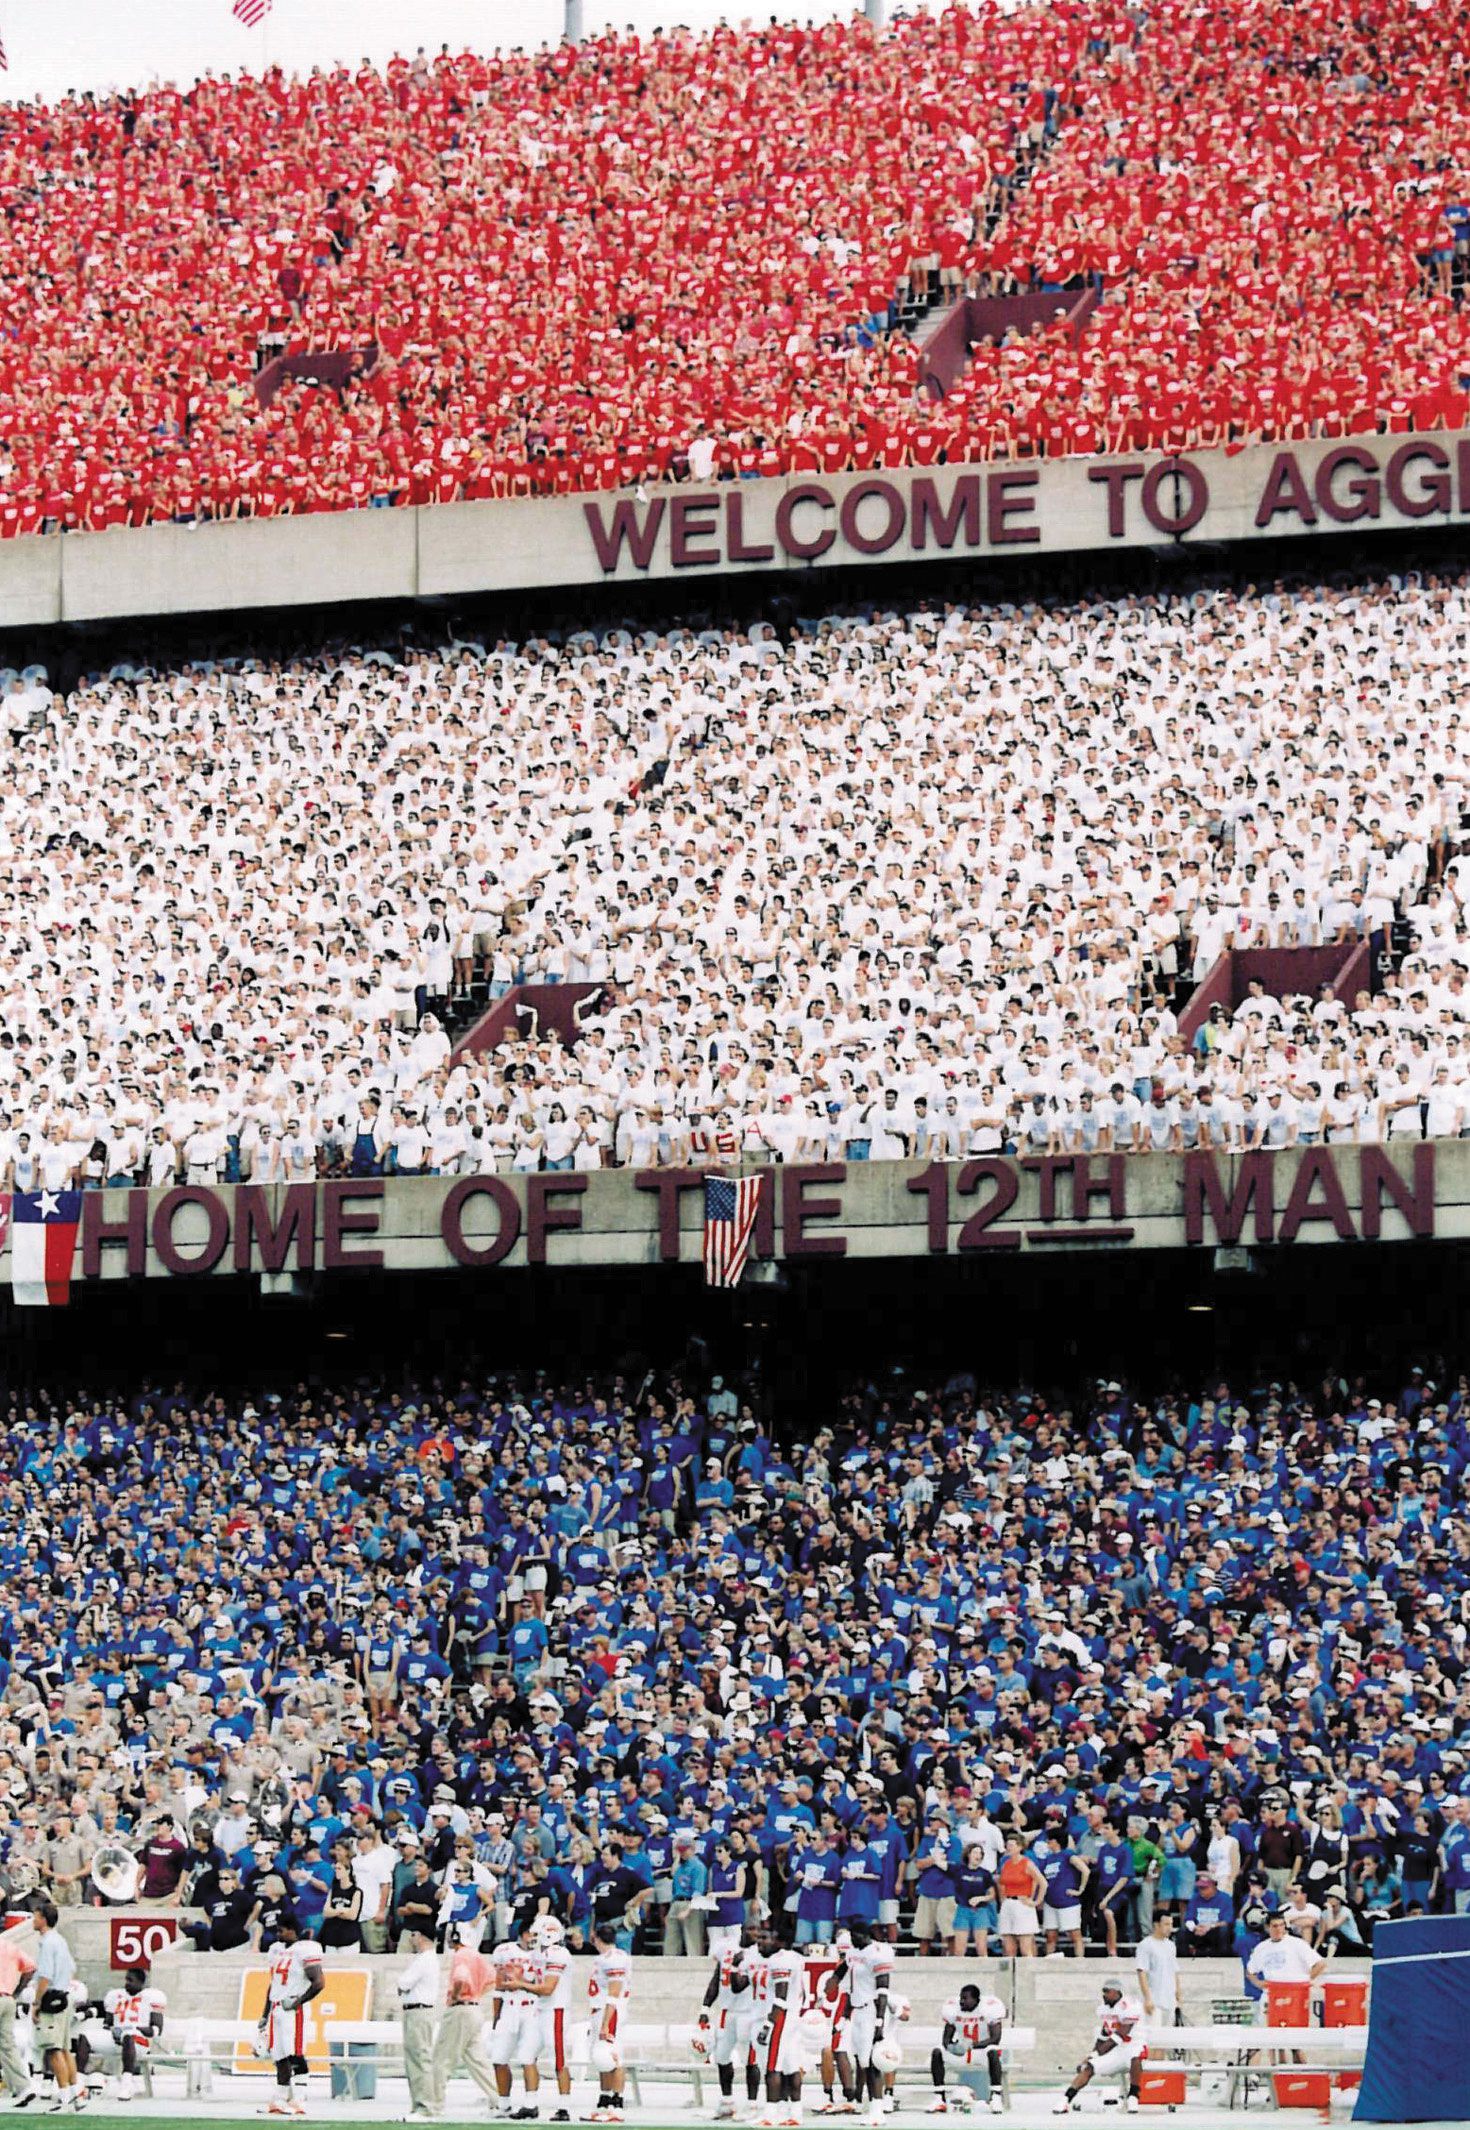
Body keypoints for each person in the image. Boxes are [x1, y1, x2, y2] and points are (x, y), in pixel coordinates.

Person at [259, 1914, 325, 2119]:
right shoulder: (277, 1950)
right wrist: (265, 2013)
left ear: (292, 1930)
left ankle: (299, 2098)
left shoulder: (306, 1949)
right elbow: (274, 1984)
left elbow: (319, 1983)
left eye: (281, 1930)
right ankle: (279, 2098)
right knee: (278, 2055)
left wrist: (296, 2003)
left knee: (294, 2053)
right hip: (277, 2006)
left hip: (293, 2007)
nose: (278, 1934)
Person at [430, 1925, 500, 2115]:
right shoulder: (475, 1955)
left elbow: (461, 1978)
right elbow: (494, 1979)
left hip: (460, 2010)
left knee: (442, 2059)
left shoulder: (461, 1956)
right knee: (478, 2060)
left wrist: (456, 1996)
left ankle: (433, 2105)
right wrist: (476, 1994)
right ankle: (499, 2100)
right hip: (474, 2010)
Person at [1052, 1979, 1145, 2115]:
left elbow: (1119, 2036)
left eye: (1106, 1991)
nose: (1104, 1995)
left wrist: (1097, 2053)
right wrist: (1092, 2055)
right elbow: (1104, 2034)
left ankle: (1133, 2096)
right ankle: (1066, 2099)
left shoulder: (1130, 2005)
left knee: (1135, 2057)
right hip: (1116, 2051)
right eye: (1103, 1991)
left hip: (1133, 2046)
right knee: (1089, 2067)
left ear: (1116, 1992)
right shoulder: (1104, 2008)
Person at [30, 1904, 82, 2114]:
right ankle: (74, 2094)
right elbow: (71, 1968)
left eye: (36, 1916)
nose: (33, 1920)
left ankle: (64, 2099)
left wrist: (36, 2003)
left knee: (53, 2049)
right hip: (64, 1996)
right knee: (64, 2047)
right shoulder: (60, 1940)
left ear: (43, 1919)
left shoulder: (47, 1943)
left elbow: (45, 1976)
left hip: (52, 1998)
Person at [523, 1915, 575, 2123]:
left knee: (558, 2060)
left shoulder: (559, 1954)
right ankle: (530, 2104)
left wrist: (518, 1984)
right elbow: (530, 1979)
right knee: (526, 2055)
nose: (532, 1938)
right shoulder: (538, 1953)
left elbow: (547, 1988)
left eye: (536, 1934)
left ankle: (564, 2107)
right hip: (540, 2010)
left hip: (556, 2011)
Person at [927, 1979, 1006, 2116]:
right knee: (937, 2052)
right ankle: (939, 2097)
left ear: (976, 2000)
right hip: (961, 2053)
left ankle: (995, 2096)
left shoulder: (988, 2009)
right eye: (961, 1998)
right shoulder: (954, 2010)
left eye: (965, 1998)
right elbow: (946, 2038)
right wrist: (952, 2047)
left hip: (980, 2052)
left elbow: (995, 2038)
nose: (962, 2001)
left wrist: (973, 2045)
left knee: (993, 2051)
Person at [755, 1920, 805, 2130]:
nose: (763, 1943)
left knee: (772, 2066)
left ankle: (771, 2113)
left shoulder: (779, 1960)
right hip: (793, 2016)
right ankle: (795, 2112)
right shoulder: (797, 1958)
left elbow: (780, 1997)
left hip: (781, 2017)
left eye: (769, 1938)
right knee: (791, 2066)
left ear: (780, 1941)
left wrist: (768, 2024)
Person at [587, 1918, 632, 2125]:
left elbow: (613, 1993)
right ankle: (604, 2100)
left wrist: (606, 2022)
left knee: (613, 2056)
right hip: (601, 2010)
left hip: (610, 2011)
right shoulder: (608, 1957)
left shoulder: (613, 1959)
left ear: (596, 1938)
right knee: (602, 2056)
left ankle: (617, 2102)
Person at [394, 1927, 440, 2123]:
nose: (411, 1939)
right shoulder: (424, 1959)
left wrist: (401, 1985)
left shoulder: (425, 1959)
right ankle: (419, 2105)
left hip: (419, 2012)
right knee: (415, 2060)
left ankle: (426, 2107)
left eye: (413, 1934)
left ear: (420, 1936)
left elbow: (403, 1983)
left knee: (420, 2059)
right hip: (415, 2011)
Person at [99, 1967, 165, 2103]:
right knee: (85, 2037)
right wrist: (112, 2030)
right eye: (126, 1979)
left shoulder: (151, 1997)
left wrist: (134, 2028)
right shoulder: (115, 1996)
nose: (127, 1983)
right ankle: (77, 2084)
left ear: (141, 1982)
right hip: (116, 2039)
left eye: (131, 1980)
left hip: (139, 2042)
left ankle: (126, 2084)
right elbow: (107, 2023)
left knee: (128, 2034)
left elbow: (157, 2029)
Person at [0, 1920, 37, 2105]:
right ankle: (23, 2087)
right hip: (7, 1999)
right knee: (8, 2046)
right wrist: (17, 1991)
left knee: (7, 2046)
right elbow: (30, 1968)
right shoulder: (9, 1946)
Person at [997, 1837, 1045, 1959]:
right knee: (1008, 1948)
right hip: (1008, 1902)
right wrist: (1003, 1900)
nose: (1009, 1847)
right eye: (1008, 1845)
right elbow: (1002, 1883)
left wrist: (1036, 1901)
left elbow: (1042, 1882)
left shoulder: (1027, 1863)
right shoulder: (1006, 1863)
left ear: (1020, 1847)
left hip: (1022, 1902)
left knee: (1025, 1948)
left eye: (1012, 1845)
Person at [1134, 1913, 1179, 2040]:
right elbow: (1142, 1972)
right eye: (1166, 1924)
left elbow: (1174, 1970)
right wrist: (1148, 1998)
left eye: (1171, 1924)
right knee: (1153, 2038)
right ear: (1156, 1925)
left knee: (1166, 2040)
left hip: (1169, 1999)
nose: (1169, 1928)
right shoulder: (1145, 1945)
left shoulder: (1171, 1945)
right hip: (1154, 2000)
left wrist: (1178, 1995)